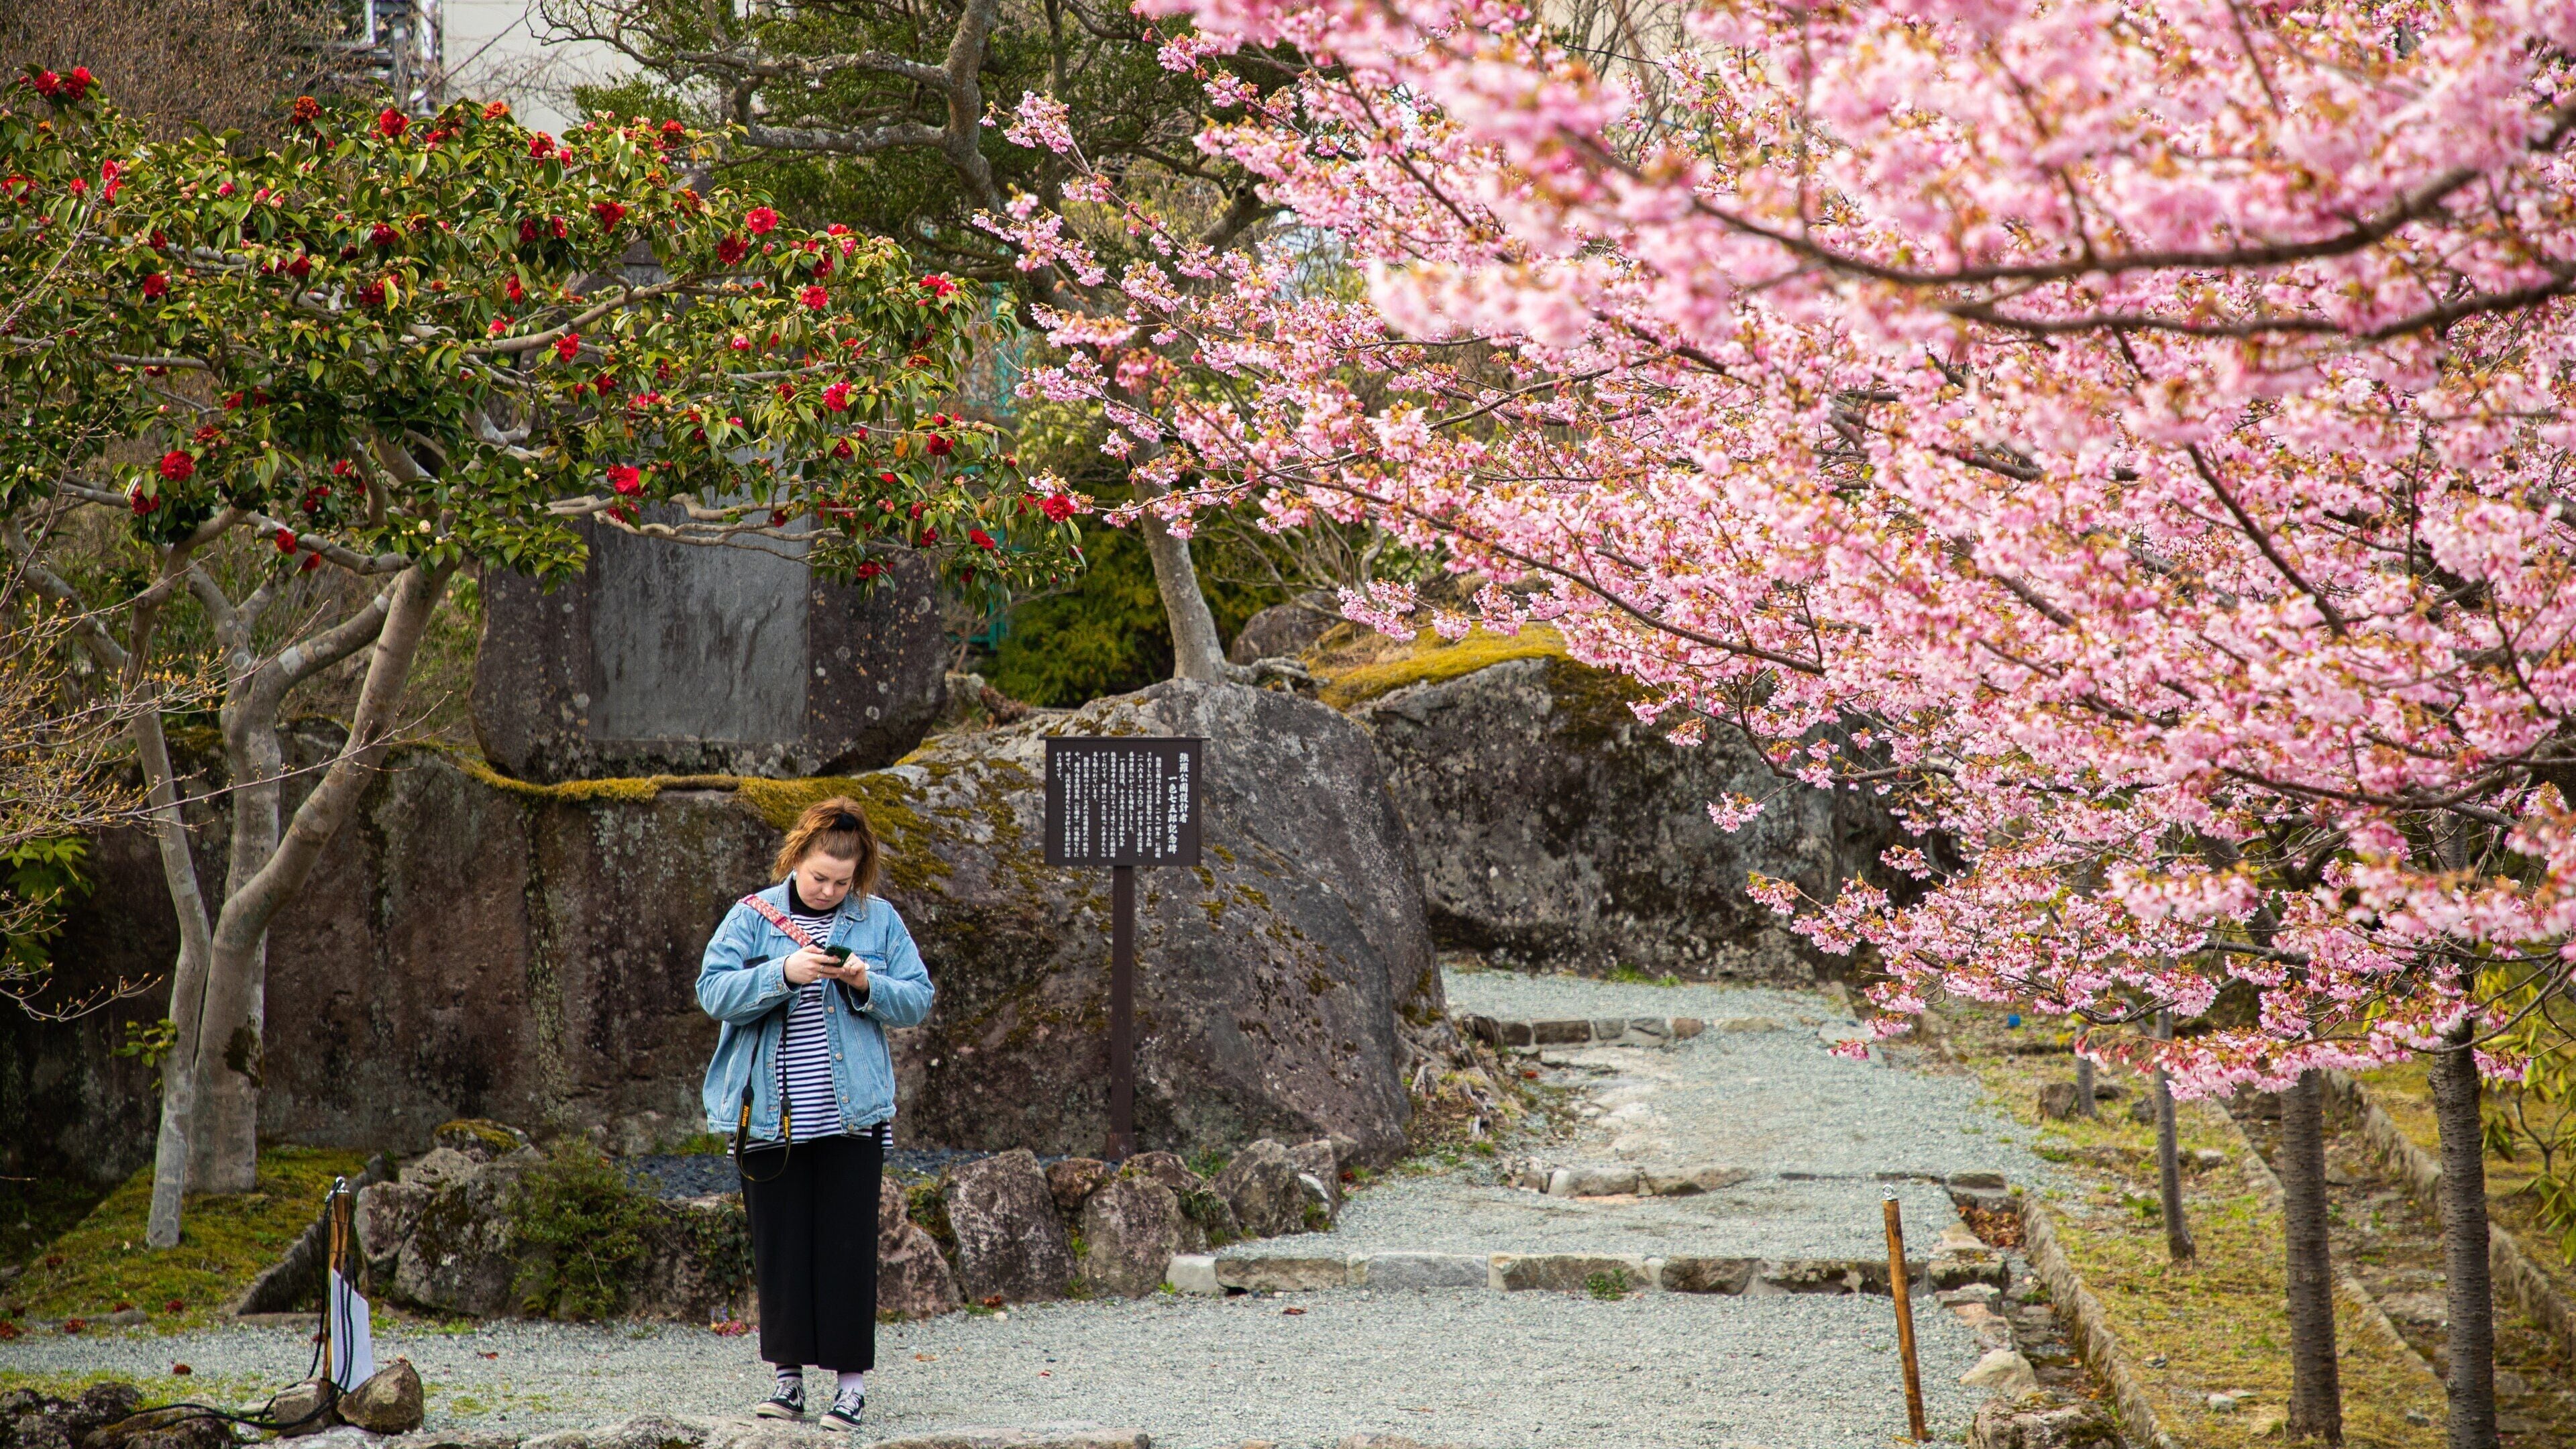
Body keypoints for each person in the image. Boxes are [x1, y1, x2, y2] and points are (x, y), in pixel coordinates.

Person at [697, 797, 933, 1432]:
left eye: (842, 882)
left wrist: (865, 983)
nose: (828, 891)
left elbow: (918, 999)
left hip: (852, 1116)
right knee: (782, 1249)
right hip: (767, 1117)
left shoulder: (879, 920)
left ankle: (850, 1389)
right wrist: (783, 972)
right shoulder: (751, 916)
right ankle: (788, 1381)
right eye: (819, 877)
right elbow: (712, 991)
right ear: (796, 857)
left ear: (859, 875)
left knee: (847, 1250)